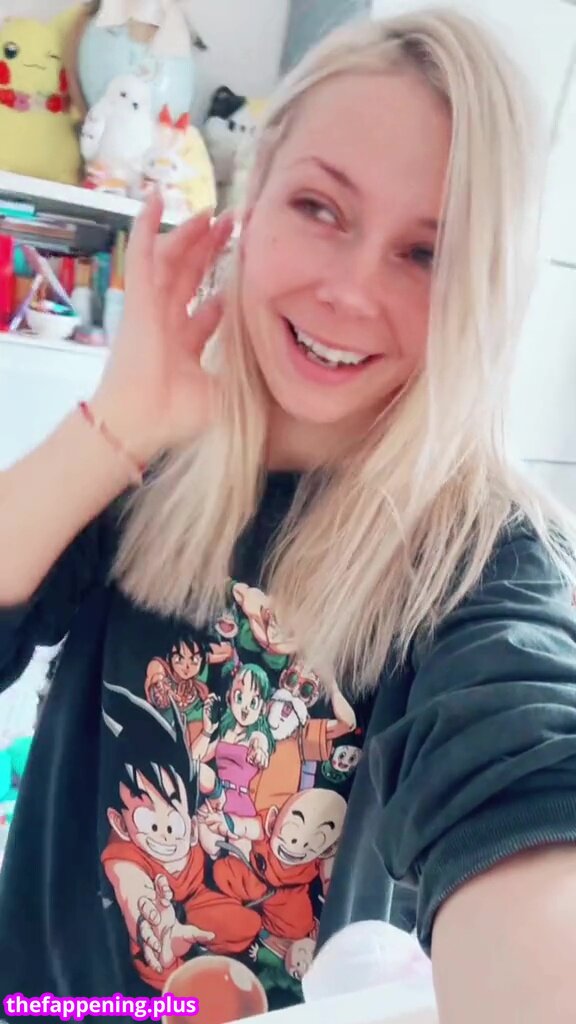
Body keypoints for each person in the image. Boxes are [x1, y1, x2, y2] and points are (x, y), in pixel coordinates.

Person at [1, 9, 576, 1024]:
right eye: (319, 206)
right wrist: (114, 427)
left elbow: (525, 794)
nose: (349, 291)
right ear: (251, 200)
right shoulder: (141, 465)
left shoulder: (481, 557)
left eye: (426, 253)